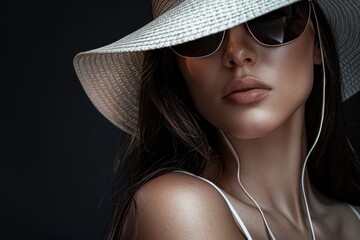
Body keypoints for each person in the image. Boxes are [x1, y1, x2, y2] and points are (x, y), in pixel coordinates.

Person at [73, 0, 360, 239]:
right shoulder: (179, 207)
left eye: (268, 19)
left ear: (318, 45)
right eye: (202, 36)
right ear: (179, 71)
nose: (237, 54)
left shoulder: (353, 221)